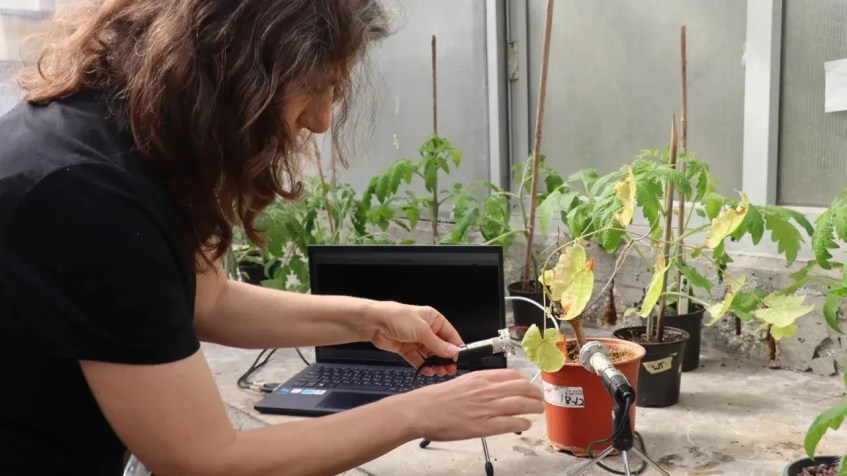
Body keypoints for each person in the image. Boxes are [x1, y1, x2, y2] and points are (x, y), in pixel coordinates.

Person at [0, 1, 545, 475]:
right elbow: (203, 460)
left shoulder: (135, 135)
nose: (323, 120)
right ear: (237, 70)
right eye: (318, 87)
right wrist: (419, 412)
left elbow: (208, 301)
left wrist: (369, 317)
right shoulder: (87, 194)